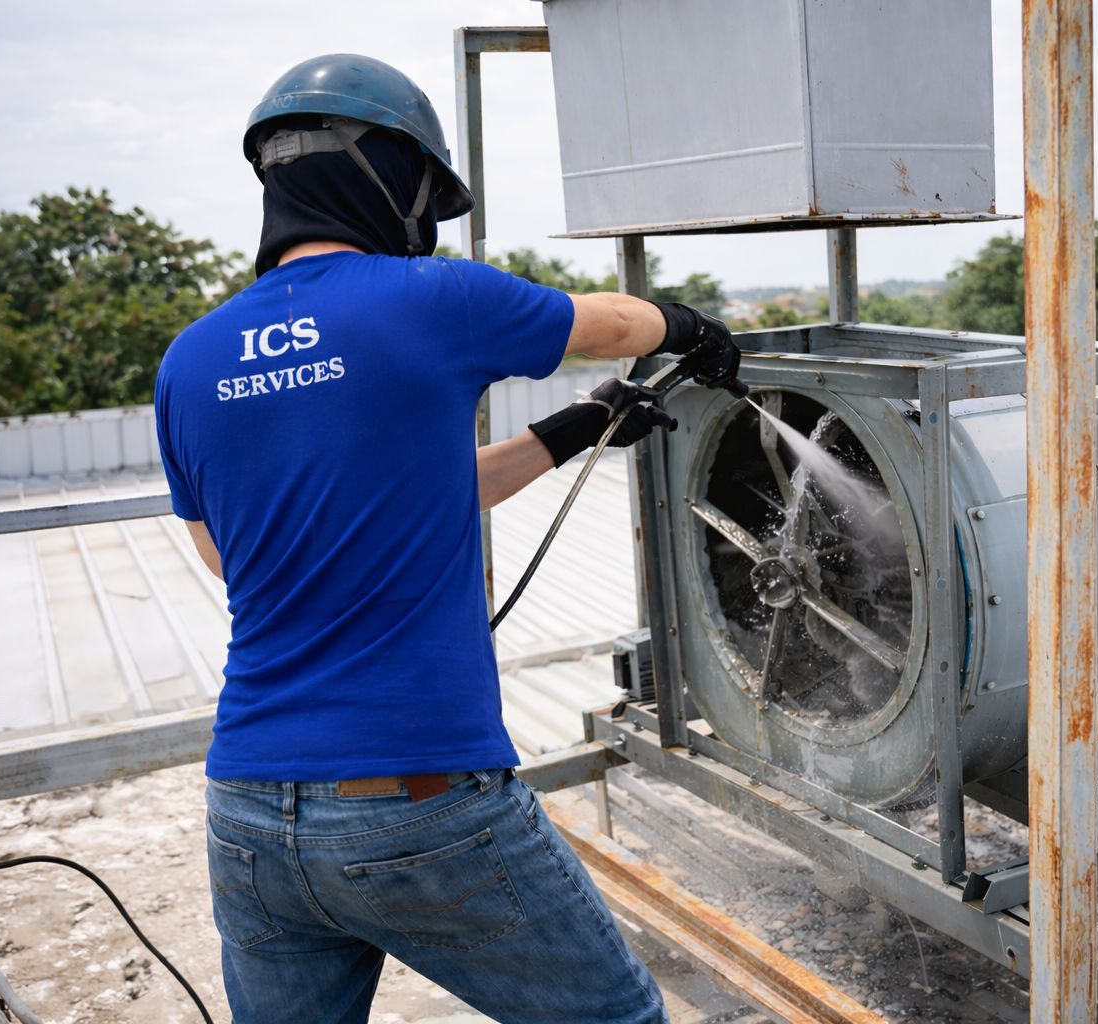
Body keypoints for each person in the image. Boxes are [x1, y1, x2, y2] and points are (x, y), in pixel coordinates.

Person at [154, 54, 743, 1024]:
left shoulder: (190, 362)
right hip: (418, 798)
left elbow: (254, 552)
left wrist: (570, 431)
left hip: (250, 811)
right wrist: (685, 325)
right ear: (392, 176)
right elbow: (603, 324)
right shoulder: (430, 298)